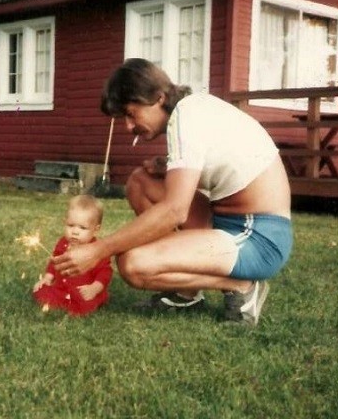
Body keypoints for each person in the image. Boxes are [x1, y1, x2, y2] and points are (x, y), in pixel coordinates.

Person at [53, 58, 293, 326]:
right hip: (227, 220)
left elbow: (175, 211)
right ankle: (186, 294)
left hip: (259, 237)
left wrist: (99, 250)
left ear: (158, 98)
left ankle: (242, 286)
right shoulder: (191, 110)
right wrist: (166, 167)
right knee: (140, 182)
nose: (128, 127)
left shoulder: (186, 117)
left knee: (132, 264)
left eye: (131, 114)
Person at [33, 194, 112, 316]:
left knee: (86, 302)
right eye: (71, 225)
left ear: (96, 229)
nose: (75, 232)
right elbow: (55, 263)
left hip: (83, 290)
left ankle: (80, 305)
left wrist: (94, 288)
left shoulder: (96, 249)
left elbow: (105, 272)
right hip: (62, 288)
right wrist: (47, 278)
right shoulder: (63, 243)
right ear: (65, 222)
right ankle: (63, 301)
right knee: (41, 291)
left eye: (82, 228)